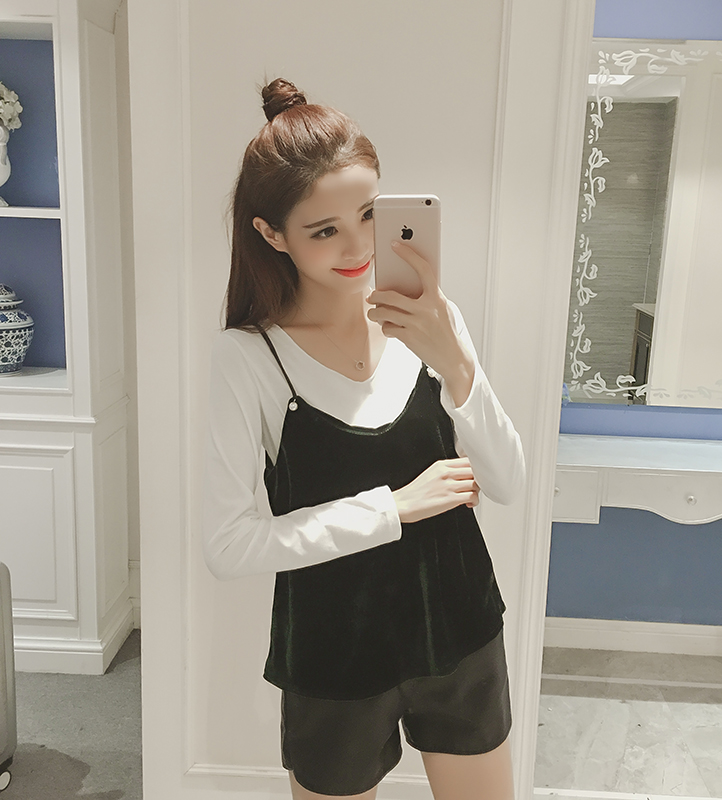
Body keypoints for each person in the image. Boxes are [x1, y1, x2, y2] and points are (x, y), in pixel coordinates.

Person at [203, 78, 525, 800]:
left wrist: (456, 366)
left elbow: (507, 482)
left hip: (460, 627)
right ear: (272, 234)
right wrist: (393, 508)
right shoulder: (250, 357)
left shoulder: (432, 322)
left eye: (370, 215)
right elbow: (228, 545)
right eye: (324, 230)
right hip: (332, 652)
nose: (358, 247)